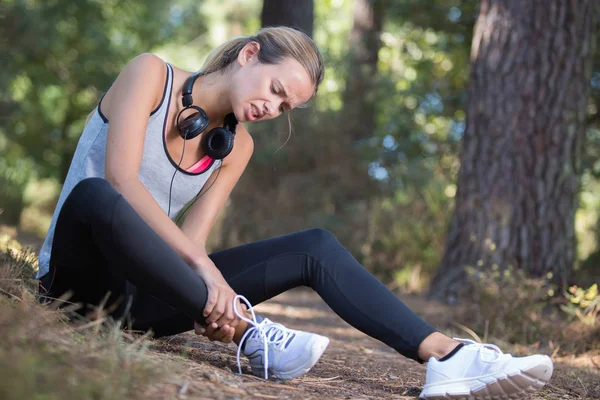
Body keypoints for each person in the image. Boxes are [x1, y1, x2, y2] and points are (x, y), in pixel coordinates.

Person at [36, 26, 553, 398]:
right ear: (249, 55)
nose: (272, 108)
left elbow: (193, 242)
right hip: (73, 281)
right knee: (98, 195)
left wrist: (208, 290)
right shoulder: (150, 75)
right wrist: (211, 283)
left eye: (285, 108)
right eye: (276, 90)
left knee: (317, 245)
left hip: (139, 301)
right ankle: (250, 335)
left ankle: (445, 356)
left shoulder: (234, 148)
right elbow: (123, 178)